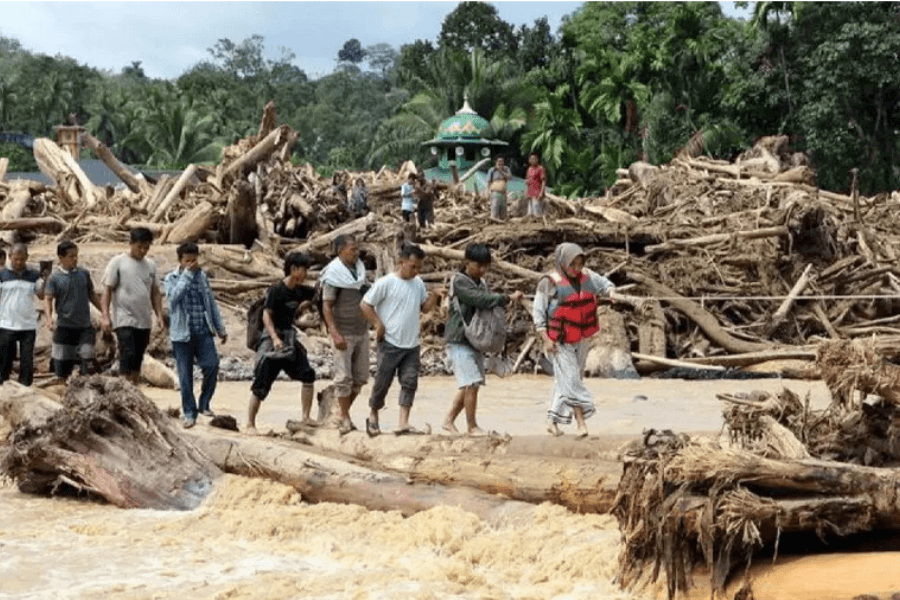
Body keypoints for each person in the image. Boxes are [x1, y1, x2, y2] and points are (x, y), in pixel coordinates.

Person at [360, 242, 443, 436]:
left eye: (419, 267)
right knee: (382, 381)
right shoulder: (386, 283)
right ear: (401, 262)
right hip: (390, 342)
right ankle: (373, 415)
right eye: (413, 266)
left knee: (410, 381)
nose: (416, 271)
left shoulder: (419, 284)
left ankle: (403, 421)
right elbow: (365, 305)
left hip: (411, 343)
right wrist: (378, 324)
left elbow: (425, 308)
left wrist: (435, 296)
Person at [532, 243, 614, 438]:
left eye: (579, 264)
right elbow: (538, 313)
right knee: (571, 380)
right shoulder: (548, 282)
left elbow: (605, 284)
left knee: (568, 380)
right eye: (572, 265)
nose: (576, 269)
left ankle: (552, 421)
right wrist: (546, 339)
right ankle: (581, 423)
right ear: (562, 263)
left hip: (581, 338)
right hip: (559, 340)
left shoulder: (587, 276)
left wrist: (611, 292)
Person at [443, 244, 522, 435]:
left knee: (472, 384)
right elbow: (479, 299)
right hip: (459, 338)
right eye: (479, 266)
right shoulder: (460, 282)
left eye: (485, 266)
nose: (483, 270)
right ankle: (472, 427)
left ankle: (448, 420)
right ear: (467, 263)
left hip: (474, 339)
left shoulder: (481, 282)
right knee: (471, 383)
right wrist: (507, 298)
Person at [246, 252, 317, 435]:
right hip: (273, 338)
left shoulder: (301, 290)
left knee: (308, 375)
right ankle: (249, 423)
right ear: (293, 270)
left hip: (290, 338)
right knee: (261, 382)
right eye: (303, 270)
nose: (306, 273)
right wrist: (275, 339)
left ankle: (306, 416)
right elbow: (266, 315)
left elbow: (318, 292)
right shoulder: (276, 290)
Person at [164, 243, 228, 429]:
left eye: (194, 260)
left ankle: (204, 403)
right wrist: (186, 276)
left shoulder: (202, 278)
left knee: (212, 365)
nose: (191, 264)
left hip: (202, 331)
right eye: (187, 261)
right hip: (181, 334)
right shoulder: (171, 278)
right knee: (185, 376)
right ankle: (189, 413)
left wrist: (220, 328)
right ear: (180, 261)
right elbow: (173, 299)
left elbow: (210, 304)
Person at [100, 227, 166, 384]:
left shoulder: (150, 265)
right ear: (130, 243)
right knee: (127, 355)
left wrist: (159, 315)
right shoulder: (118, 262)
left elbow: (155, 292)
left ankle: (133, 390)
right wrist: (105, 316)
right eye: (139, 247)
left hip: (144, 320)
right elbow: (107, 290)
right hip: (124, 319)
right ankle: (124, 389)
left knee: (138, 359)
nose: (143, 251)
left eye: (146, 247)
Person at [320, 234, 369, 433]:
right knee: (343, 378)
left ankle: (341, 412)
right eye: (352, 249)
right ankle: (345, 417)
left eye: (357, 249)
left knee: (360, 377)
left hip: (361, 330)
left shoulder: (359, 272)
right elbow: (327, 306)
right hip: (344, 332)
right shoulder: (333, 274)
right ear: (340, 251)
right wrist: (335, 333)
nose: (356, 253)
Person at [44, 241, 102, 381]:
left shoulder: (84, 274)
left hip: (84, 327)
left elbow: (92, 294)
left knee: (87, 363)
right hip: (64, 328)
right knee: (62, 370)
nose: (75, 259)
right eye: (71, 256)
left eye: (76, 256)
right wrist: (48, 318)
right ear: (61, 258)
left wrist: (104, 312)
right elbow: (48, 299)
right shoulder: (54, 278)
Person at [0, 243, 47, 386]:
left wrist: (45, 280)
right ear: (10, 257)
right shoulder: (2, 275)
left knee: (27, 361)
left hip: (27, 325)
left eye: (22, 259)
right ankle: (3, 387)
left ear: (27, 257)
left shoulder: (34, 275)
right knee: (4, 360)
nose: (19, 262)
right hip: (6, 323)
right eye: (16, 259)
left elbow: (40, 295)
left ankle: (25, 388)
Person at [526, 152, 547, 218]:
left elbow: (543, 181)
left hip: (537, 193)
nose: (533, 160)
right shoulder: (529, 169)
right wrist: (527, 192)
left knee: (537, 213)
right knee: (530, 213)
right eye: (531, 159)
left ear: (537, 159)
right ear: (529, 160)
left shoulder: (540, 168)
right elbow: (528, 181)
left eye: (535, 158)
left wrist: (542, 192)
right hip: (530, 193)